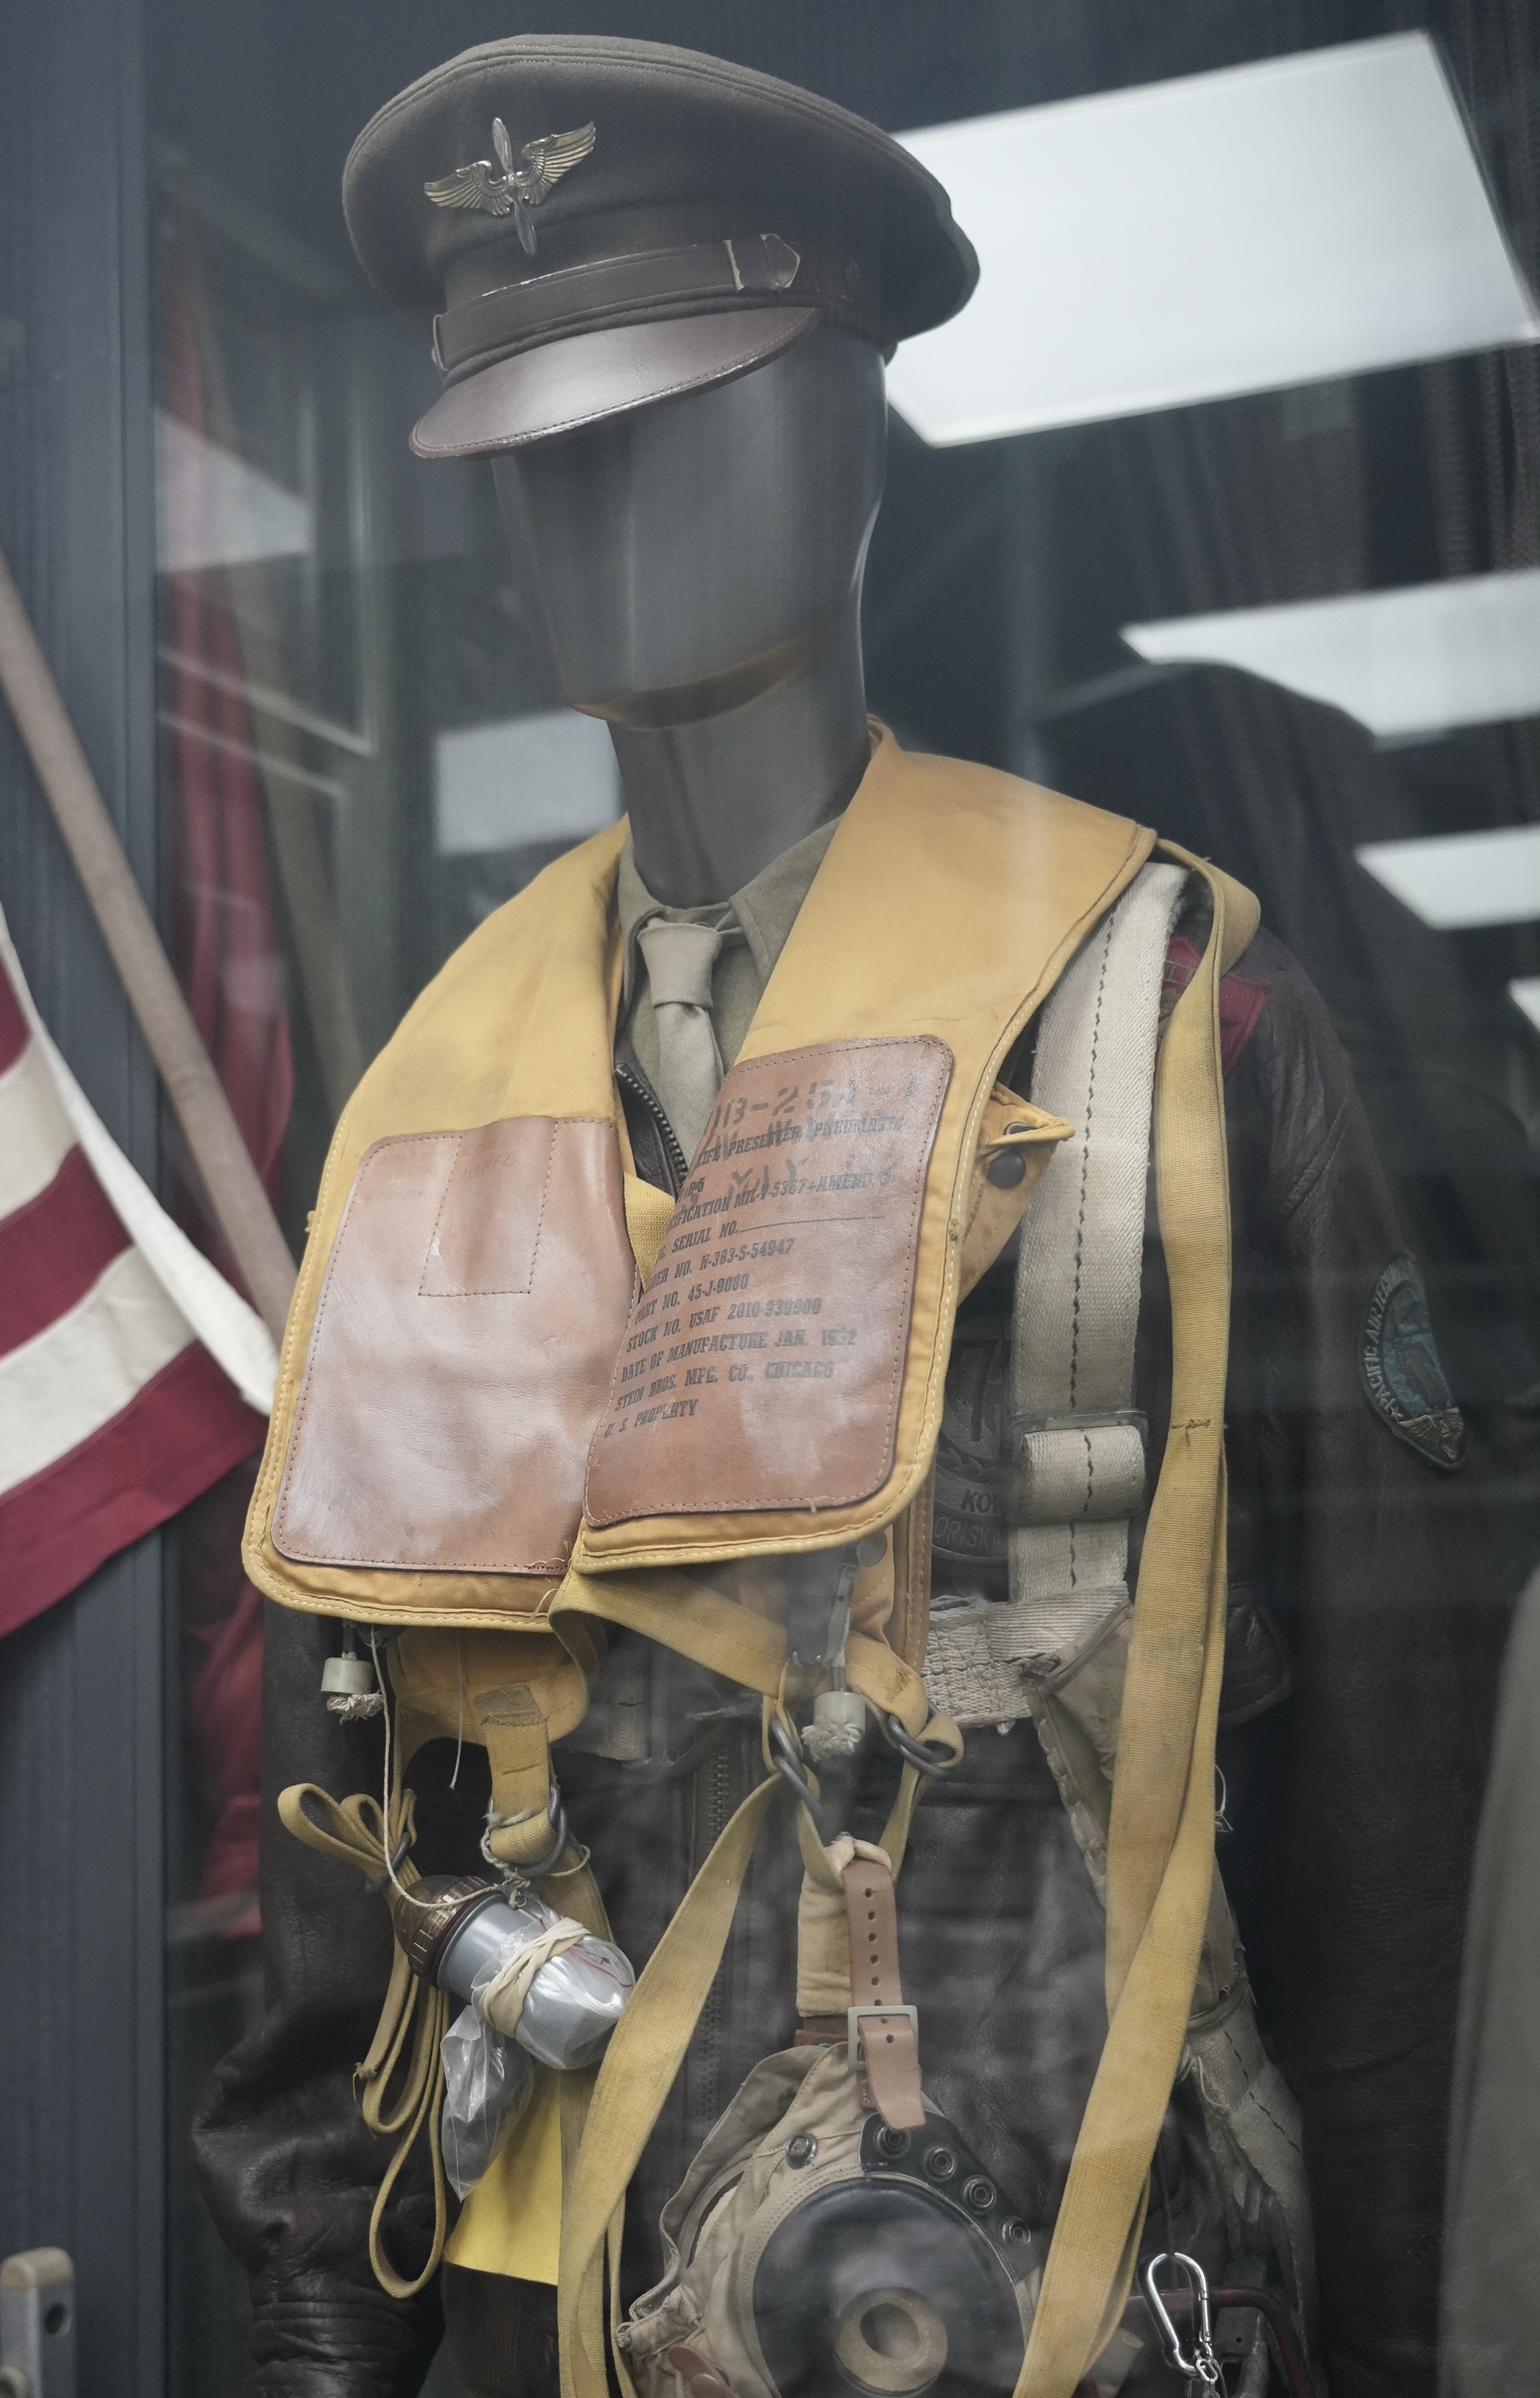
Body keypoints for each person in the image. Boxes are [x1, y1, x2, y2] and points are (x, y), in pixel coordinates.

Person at [193, 38, 1500, 2398]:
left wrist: (1408, 2345)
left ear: (848, 431)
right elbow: (345, 1883)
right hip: (565, 2311)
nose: (593, 505)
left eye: (676, 415)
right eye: (535, 455)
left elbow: (1394, 1839)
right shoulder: (426, 1112)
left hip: (1088, 2292)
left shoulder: (1163, 1019)